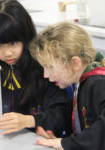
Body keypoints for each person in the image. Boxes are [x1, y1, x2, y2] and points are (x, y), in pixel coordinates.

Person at [0, 0, 71, 136]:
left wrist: (29, 120)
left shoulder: (43, 68)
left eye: (13, 43)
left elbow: (62, 114)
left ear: (26, 38)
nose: (7, 53)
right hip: (0, 140)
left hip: (34, 140)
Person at [30, 22, 105, 150]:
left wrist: (67, 143)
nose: (45, 75)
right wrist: (63, 142)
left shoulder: (99, 84)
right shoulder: (80, 84)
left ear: (75, 63)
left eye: (50, 67)